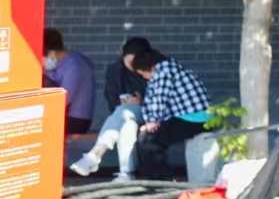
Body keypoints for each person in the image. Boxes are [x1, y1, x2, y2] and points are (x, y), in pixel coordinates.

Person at [69, 36, 151, 181]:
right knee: (127, 122)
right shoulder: (116, 71)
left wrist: (142, 101)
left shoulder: (154, 70)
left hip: (150, 114)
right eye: (130, 62)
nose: (134, 66)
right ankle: (126, 174)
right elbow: (112, 100)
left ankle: (95, 155)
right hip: (124, 116)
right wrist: (123, 102)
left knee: (125, 112)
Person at [131, 48, 213, 178]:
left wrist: (152, 121)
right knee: (152, 135)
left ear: (151, 68)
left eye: (143, 74)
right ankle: (157, 177)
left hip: (195, 120)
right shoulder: (171, 69)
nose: (144, 78)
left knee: (148, 138)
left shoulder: (164, 72)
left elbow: (159, 99)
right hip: (196, 117)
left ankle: (158, 180)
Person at [41, 30, 96, 136]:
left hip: (75, 119)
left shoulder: (74, 66)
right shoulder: (69, 61)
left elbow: (65, 98)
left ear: (52, 53)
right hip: (69, 117)